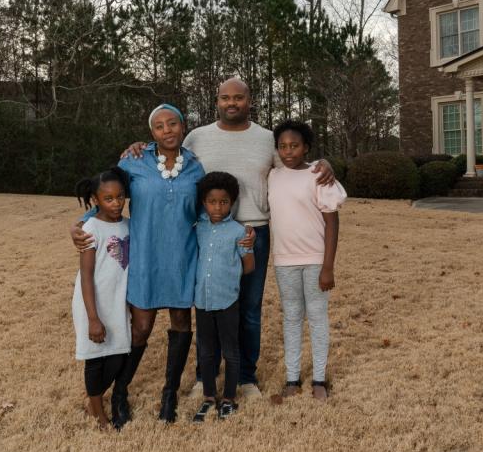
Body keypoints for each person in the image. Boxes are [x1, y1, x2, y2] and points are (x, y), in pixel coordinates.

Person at [125, 78, 335, 399]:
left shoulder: (267, 139)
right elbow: (167, 154)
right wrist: (138, 146)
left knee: (248, 308)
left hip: (254, 231)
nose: (231, 103)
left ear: (249, 101)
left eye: (238, 98)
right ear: (217, 101)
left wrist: (324, 164)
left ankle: (246, 378)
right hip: (207, 233)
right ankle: (203, 377)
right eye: (225, 98)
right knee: (207, 307)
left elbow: (295, 168)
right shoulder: (197, 137)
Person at [72, 104, 205, 427]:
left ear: (183, 126)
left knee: (181, 323)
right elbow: (106, 193)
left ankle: (169, 393)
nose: (167, 130)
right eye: (159, 126)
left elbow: (204, 209)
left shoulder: (195, 167)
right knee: (142, 327)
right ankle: (120, 391)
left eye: (172, 123)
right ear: (151, 133)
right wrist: (83, 221)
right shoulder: (133, 161)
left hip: (182, 256)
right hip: (145, 256)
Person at [268, 120, 346, 400]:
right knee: (291, 318)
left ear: (306, 148)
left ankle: (319, 380)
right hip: (284, 261)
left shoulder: (319, 175)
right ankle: (291, 378)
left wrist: (328, 266)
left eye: (295, 146)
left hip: (315, 261)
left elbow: (332, 223)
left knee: (316, 317)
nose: (288, 151)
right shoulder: (273, 176)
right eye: (283, 146)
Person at [191, 172, 255, 421]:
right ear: (204, 202)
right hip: (203, 300)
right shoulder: (198, 228)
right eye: (212, 201)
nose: (217, 207)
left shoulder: (239, 231)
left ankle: (228, 397)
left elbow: (249, 267)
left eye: (224, 201)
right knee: (206, 350)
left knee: (231, 350)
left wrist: (247, 248)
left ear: (232, 202)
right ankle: (209, 395)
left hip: (228, 299)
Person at [71, 167, 131, 427]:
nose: (116, 203)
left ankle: (93, 399)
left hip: (117, 302)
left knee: (118, 355)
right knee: (95, 359)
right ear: (95, 200)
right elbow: (86, 276)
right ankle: (97, 411)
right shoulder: (91, 228)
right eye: (108, 198)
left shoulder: (128, 225)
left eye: (120, 197)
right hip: (93, 303)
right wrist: (93, 318)